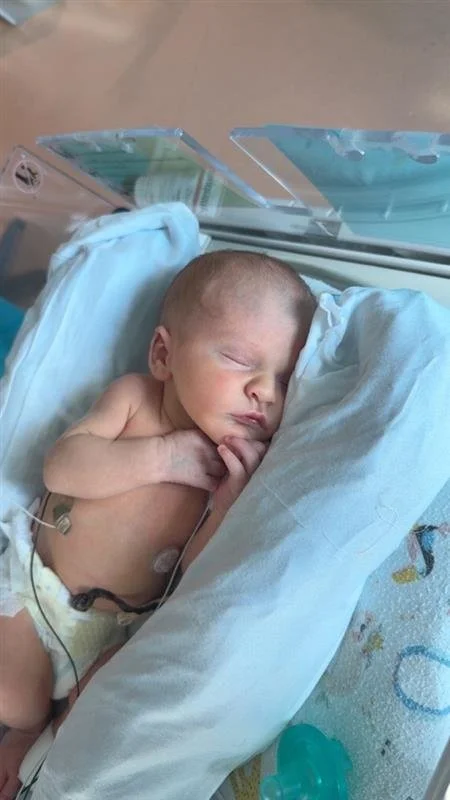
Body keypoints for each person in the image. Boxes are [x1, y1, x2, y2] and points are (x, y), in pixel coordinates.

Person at [0, 249, 317, 798]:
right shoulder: (135, 402)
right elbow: (63, 467)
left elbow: (193, 578)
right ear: (164, 354)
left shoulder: (232, 472)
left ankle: (40, 746)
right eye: (241, 360)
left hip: (111, 636)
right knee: (15, 696)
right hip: (40, 597)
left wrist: (222, 513)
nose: (265, 391)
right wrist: (164, 457)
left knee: (98, 723)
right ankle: (22, 731)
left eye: (284, 380)